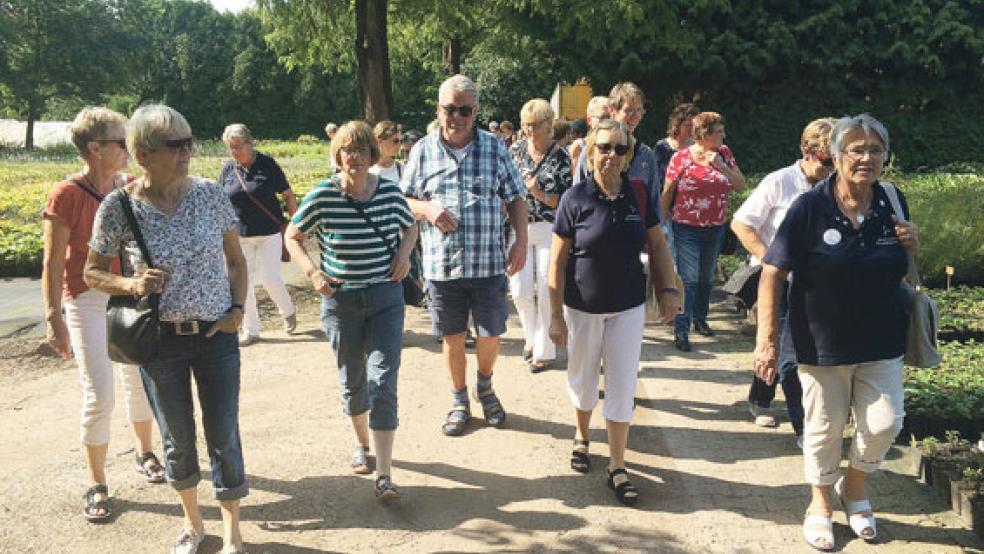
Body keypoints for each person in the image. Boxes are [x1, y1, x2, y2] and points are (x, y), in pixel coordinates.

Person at [85, 104, 249, 554]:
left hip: (217, 336)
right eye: (175, 145)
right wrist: (131, 282)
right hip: (160, 344)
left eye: (190, 141)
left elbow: (236, 261)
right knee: (177, 437)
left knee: (223, 431)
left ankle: (233, 530)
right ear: (142, 154)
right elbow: (92, 271)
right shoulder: (118, 207)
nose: (187, 151)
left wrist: (236, 309)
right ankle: (194, 525)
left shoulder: (210, 194)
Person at [754, 114, 919, 550]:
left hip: (882, 338)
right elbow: (773, 272)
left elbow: (904, 266)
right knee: (824, 429)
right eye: (857, 149)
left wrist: (912, 243)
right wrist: (766, 341)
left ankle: (855, 485)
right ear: (837, 154)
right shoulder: (810, 206)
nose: (866, 158)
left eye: (875, 150)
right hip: (820, 342)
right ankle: (821, 504)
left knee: (885, 423)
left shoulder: (892, 200)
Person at [41, 107, 164, 524]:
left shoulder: (130, 187)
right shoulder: (66, 194)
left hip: (128, 296)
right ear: (95, 149)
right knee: (100, 392)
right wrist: (53, 317)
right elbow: (53, 261)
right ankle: (97, 482)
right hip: (87, 299)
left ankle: (145, 453)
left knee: (138, 381)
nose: (128, 146)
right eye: (120, 140)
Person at [548, 119, 679, 505]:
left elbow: (657, 246)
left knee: (622, 384)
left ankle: (617, 466)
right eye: (604, 147)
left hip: (628, 307)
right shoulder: (575, 199)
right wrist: (555, 315)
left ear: (628, 156)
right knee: (583, 379)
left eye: (620, 149)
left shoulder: (638, 196)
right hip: (582, 307)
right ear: (591, 152)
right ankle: (582, 436)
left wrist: (668, 289)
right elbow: (556, 264)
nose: (611, 155)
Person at [286, 120, 417, 500]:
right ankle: (362, 443)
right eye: (346, 150)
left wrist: (404, 255)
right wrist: (312, 272)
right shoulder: (324, 196)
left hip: (384, 299)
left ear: (371, 154)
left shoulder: (390, 193)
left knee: (383, 381)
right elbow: (292, 235)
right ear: (337, 156)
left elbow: (410, 227)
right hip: (340, 302)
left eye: (360, 149)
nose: (353, 156)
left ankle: (385, 473)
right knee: (352, 378)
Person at [400, 74, 528, 436]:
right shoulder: (422, 150)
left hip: (489, 262)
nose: (456, 117)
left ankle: (484, 386)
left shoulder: (494, 147)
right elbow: (402, 199)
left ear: (475, 112)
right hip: (443, 265)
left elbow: (515, 196)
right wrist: (426, 210)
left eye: (465, 110)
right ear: (438, 109)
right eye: (449, 109)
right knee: (453, 337)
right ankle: (459, 400)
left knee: (490, 335)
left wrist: (519, 243)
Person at [732, 118, 836, 442]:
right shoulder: (779, 182)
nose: (832, 168)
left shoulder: (836, 188)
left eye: (837, 160)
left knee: (798, 351)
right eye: (827, 161)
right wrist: (771, 260)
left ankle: (764, 398)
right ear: (807, 151)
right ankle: (802, 429)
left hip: (815, 285)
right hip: (776, 282)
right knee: (783, 351)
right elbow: (741, 224)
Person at [660, 111, 746, 352]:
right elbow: (667, 192)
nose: (724, 135)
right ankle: (681, 327)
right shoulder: (681, 158)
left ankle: (700, 318)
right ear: (704, 135)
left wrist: (722, 167)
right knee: (688, 279)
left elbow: (739, 186)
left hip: (715, 227)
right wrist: (659, 226)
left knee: (707, 278)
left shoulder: (725, 154)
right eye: (719, 131)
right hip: (685, 227)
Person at [509, 99, 573, 372]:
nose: (529, 131)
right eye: (525, 125)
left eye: (535, 125)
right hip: (518, 226)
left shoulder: (561, 158)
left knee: (548, 287)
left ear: (549, 126)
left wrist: (539, 194)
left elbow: (566, 202)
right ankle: (530, 338)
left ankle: (544, 350)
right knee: (520, 290)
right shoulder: (515, 151)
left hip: (549, 228)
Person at [219, 123, 298, 346]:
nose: (233, 152)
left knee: (270, 278)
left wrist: (295, 225)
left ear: (249, 143)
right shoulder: (227, 169)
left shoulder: (267, 164)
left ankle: (288, 311)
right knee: (245, 282)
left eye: (237, 146)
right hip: (239, 235)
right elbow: (220, 201)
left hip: (269, 233)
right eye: (229, 147)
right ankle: (250, 329)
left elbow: (288, 195)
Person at [574, 84, 660, 209]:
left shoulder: (646, 155)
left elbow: (653, 201)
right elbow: (576, 195)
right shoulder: (594, 149)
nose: (635, 116)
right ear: (613, 110)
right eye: (629, 110)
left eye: (639, 110)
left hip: (635, 226)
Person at [653, 103, 700, 259]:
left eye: (694, 125)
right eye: (687, 125)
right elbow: (658, 179)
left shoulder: (698, 148)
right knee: (669, 253)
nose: (691, 129)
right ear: (677, 125)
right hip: (668, 207)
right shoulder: (663, 147)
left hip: (690, 210)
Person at [569, 95, 611, 176]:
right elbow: (575, 181)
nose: (607, 122)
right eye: (603, 118)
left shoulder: (617, 145)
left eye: (610, 117)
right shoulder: (579, 147)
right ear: (589, 120)